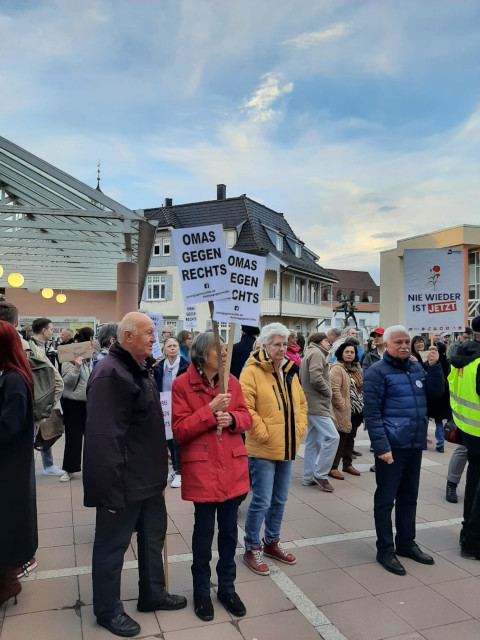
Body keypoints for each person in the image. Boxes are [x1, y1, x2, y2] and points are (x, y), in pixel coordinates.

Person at [83, 312, 186, 638]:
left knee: (153, 539)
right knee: (112, 548)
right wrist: (109, 492)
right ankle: (108, 610)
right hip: (124, 482)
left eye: (154, 333)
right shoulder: (111, 374)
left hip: (148, 478)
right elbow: (103, 438)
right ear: (128, 337)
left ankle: (152, 593)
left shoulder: (137, 369)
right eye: (149, 333)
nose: (155, 339)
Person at [172, 333, 252, 621]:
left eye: (225, 349)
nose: (225, 354)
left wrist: (232, 419)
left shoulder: (232, 381)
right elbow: (180, 430)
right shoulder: (182, 384)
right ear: (202, 355)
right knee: (203, 536)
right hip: (204, 471)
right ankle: (202, 591)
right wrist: (210, 410)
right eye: (219, 350)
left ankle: (227, 588)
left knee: (230, 534)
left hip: (231, 468)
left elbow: (247, 416)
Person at [364, 325, 444, 576]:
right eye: (398, 342)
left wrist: (434, 367)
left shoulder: (416, 367)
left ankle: (406, 543)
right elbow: (372, 414)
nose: (404, 346)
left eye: (406, 341)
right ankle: (385, 549)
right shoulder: (377, 372)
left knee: (409, 498)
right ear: (385, 345)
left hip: (414, 444)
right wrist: (381, 447)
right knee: (386, 500)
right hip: (392, 447)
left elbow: (436, 393)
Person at [240, 323, 307, 575]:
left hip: (287, 444)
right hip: (263, 448)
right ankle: (252, 547)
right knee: (261, 500)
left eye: (284, 344)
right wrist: (264, 433)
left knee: (280, 499)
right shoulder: (251, 371)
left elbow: (301, 404)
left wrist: (299, 429)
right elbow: (246, 408)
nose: (281, 349)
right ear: (264, 346)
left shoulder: (290, 369)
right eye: (276, 344)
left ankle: (272, 542)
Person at [0, 321, 37, 607]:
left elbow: (9, 427)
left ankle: (9, 581)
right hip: (8, 466)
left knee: (8, 523)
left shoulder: (13, 379)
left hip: (8, 468)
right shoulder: (9, 376)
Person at [448, 315, 480, 560]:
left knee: (474, 483)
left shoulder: (461, 357)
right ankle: (472, 542)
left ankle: (467, 534)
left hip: (468, 429)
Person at [300, 333, 338, 492]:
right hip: (317, 404)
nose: (328, 344)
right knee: (333, 437)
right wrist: (328, 391)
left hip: (311, 403)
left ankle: (308, 477)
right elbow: (316, 377)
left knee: (313, 441)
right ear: (317, 342)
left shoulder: (310, 352)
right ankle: (320, 474)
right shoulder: (316, 353)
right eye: (326, 341)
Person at [30, 317, 65, 477]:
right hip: (35, 396)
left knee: (47, 431)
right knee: (33, 432)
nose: (53, 332)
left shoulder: (49, 348)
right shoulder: (28, 348)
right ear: (43, 330)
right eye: (51, 329)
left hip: (47, 395)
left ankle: (48, 464)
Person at [60, 327, 93, 483]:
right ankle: (69, 469)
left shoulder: (89, 358)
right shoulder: (68, 356)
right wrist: (76, 367)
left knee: (92, 437)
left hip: (89, 403)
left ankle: (91, 467)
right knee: (73, 437)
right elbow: (66, 381)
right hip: (73, 402)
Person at [154, 337, 188, 488]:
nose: (172, 348)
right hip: (165, 404)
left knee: (177, 439)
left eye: (175, 346)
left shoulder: (186, 365)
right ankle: (174, 468)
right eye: (169, 346)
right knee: (168, 438)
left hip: (180, 404)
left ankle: (181, 472)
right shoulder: (159, 366)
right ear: (165, 350)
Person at [328, 343, 362, 480]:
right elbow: (334, 390)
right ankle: (333, 467)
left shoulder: (356, 368)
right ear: (341, 353)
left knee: (350, 438)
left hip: (356, 409)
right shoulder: (337, 369)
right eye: (346, 351)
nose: (349, 354)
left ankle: (347, 464)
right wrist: (342, 406)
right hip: (343, 410)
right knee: (340, 438)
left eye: (352, 352)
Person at [427, 342, 452, 453]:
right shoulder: (447, 363)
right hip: (443, 396)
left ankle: (438, 443)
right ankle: (440, 443)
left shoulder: (433, 362)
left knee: (436, 421)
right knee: (438, 421)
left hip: (435, 397)